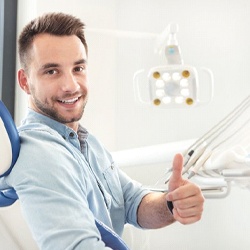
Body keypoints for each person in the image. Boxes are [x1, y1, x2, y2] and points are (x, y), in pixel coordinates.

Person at [4, 12, 204, 249]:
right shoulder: (40, 154)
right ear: (25, 81)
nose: (71, 86)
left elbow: (132, 202)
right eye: (52, 71)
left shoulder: (86, 143)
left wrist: (171, 204)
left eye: (78, 68)